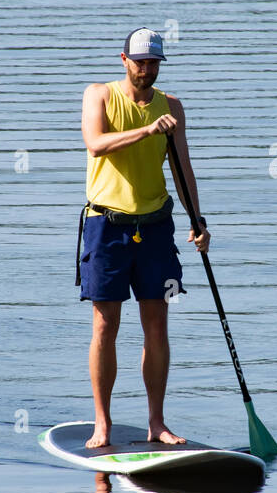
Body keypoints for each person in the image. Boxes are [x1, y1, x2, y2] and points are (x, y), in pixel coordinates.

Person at [75, 27, 209, 449]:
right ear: (124, 59)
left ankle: (156, 423)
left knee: (157, 323)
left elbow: (182, 168)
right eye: (140, 62)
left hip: (155, 227)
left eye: (154, 63)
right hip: (106, 227)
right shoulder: (98, 95)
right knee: (105, 325)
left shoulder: (171, 107)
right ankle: (103, 424)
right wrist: (148, 132)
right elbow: (95, 145)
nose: (147, 70)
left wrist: (198, 220)